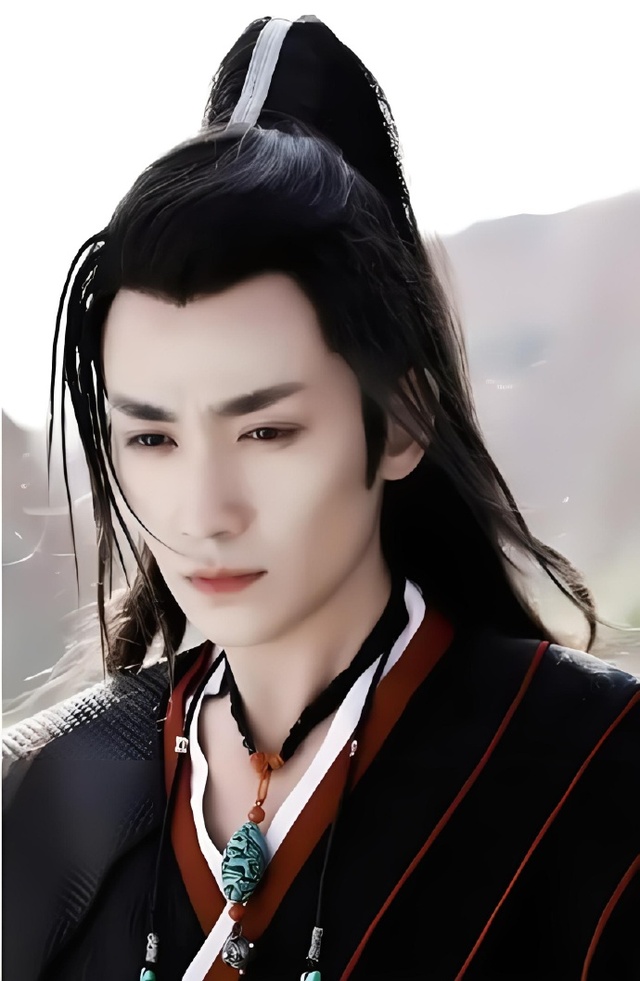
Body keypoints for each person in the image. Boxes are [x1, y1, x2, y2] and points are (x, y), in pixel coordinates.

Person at [3, 15, 639, 981]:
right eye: (152, 438)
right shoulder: (42, 796)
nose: (204, 510)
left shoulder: (597, 766)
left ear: (403, 422)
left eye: (267, 431)